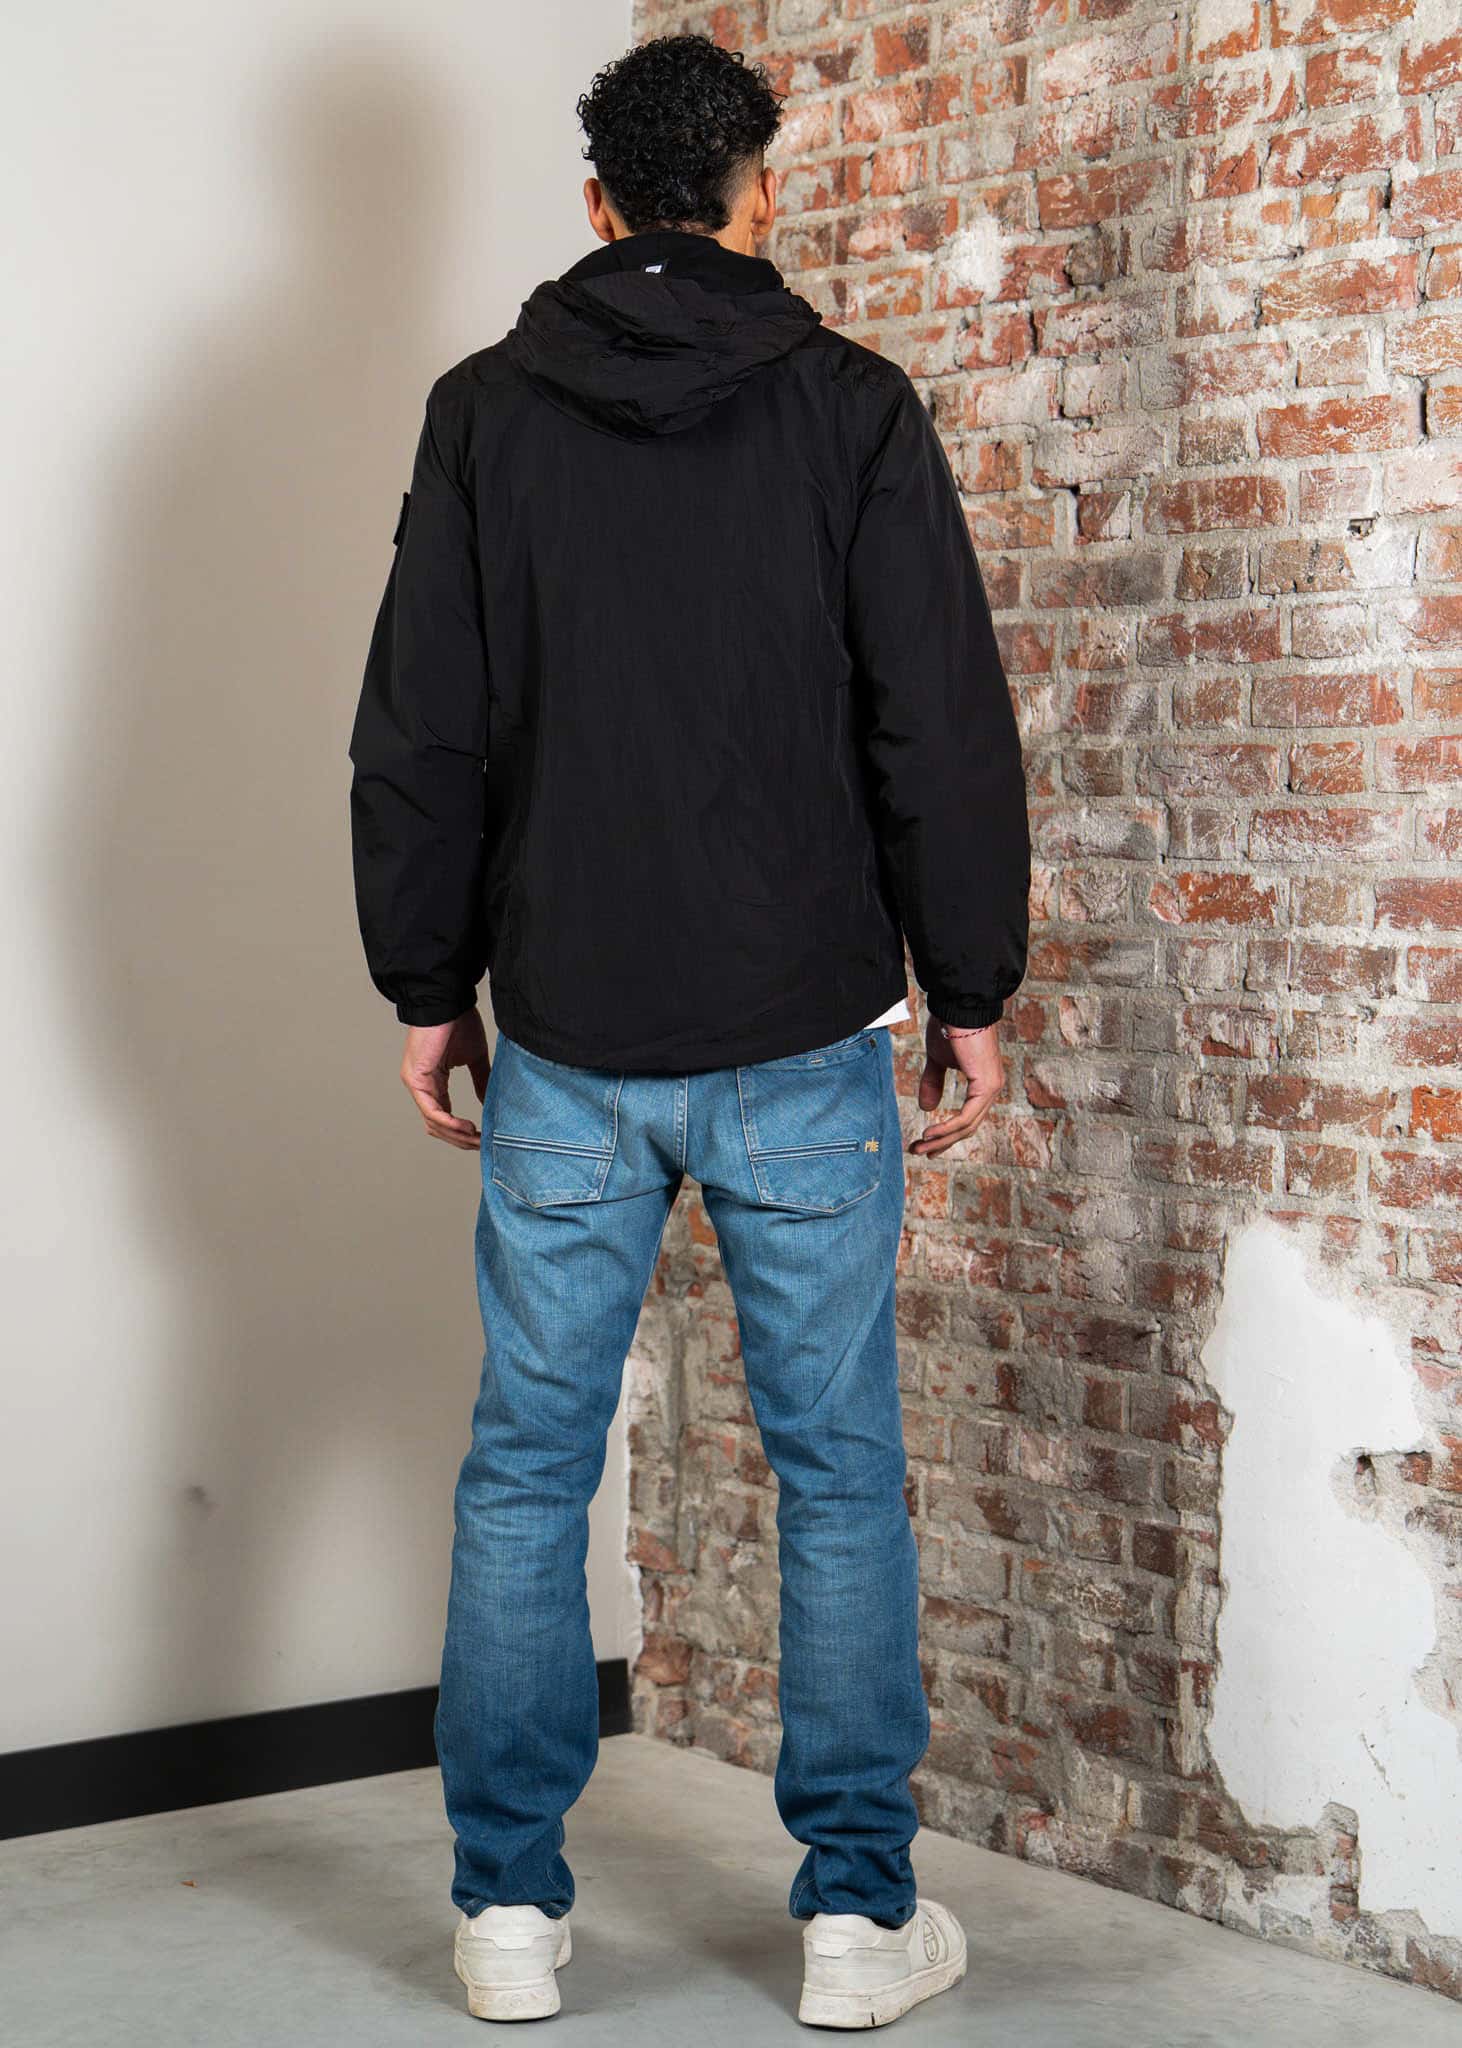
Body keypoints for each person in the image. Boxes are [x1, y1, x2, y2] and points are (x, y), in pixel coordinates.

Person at [348, 31, 1029, 2032]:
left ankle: (503, 1914)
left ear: (595, 204)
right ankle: (853, 1923)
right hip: (799, 1027)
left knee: (523, 1471)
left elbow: (422, 727)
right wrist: (969, 988)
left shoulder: (485, 411)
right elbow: (935, 719)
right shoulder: (851, 407)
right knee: (836, 1473)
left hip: (566, 1027)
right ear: (756, 192)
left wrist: (426, 986)